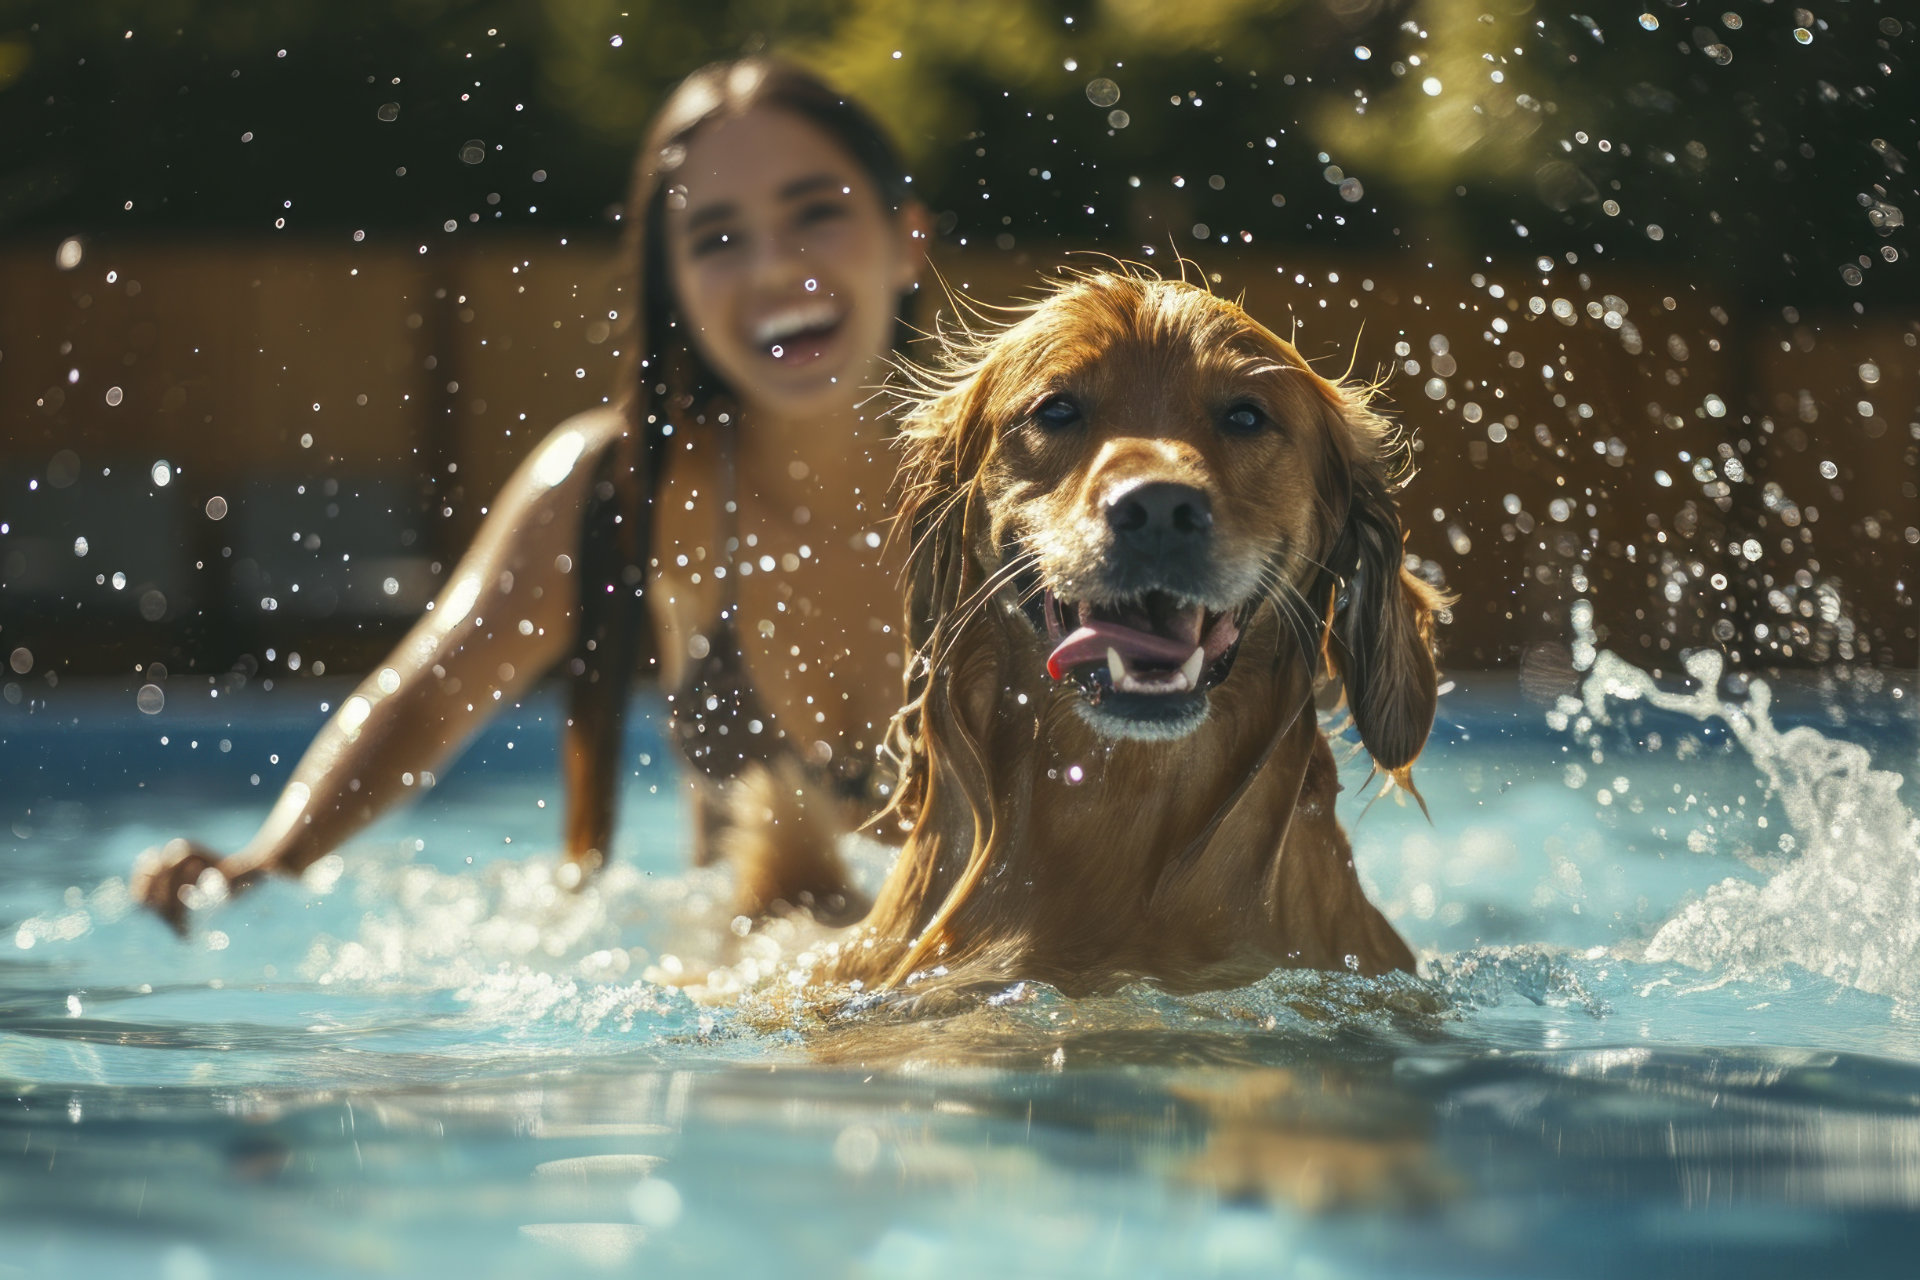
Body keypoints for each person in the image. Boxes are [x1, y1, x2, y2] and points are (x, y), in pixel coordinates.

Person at [132, 58, 932, 930]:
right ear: (676, 288)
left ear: (908, 239)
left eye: (816, 213)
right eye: (717, 238)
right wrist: (269, 862)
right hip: (744, 1021)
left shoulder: (1017, 491)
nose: (774, 266)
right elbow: (431, 694)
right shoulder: (625, 492)